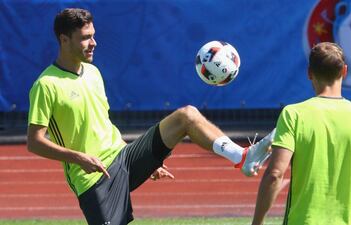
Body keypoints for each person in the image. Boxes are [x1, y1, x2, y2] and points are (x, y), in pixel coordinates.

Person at [26, 8, 275, 225]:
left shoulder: (92, 72)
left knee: (186, 116)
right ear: (64, 39)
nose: (94, 43)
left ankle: (242, 157)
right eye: (86, 38)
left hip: (123, 156)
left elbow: (102, 126)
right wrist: (78, 158)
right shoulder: (46, 85)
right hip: (94, 179)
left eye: (93, 35)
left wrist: (146, 162)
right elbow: (34, 141)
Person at [251, 42, 351, 225]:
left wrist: (257, 222)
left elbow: (275, 174)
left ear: (309, 73)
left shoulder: (293, 114)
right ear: (344, 71)